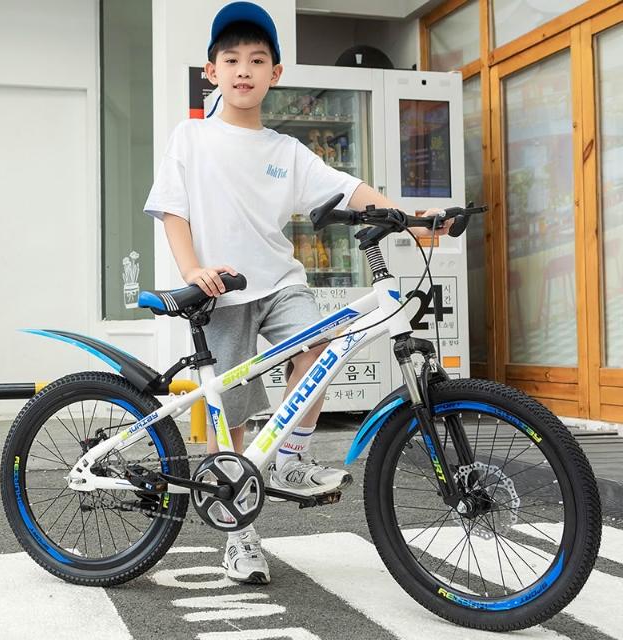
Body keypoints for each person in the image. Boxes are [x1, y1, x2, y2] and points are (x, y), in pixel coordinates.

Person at [143, 1, 451, 585]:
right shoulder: (192, 137)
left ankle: (290, 460)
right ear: (211, 71)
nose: (244, 69)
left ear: (275, 74)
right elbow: (172, 211)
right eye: (231, 59)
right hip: (220, 292)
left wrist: (413, 218)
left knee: (321, 346)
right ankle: (238, 536)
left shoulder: (285, 151)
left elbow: (349, 188)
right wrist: (193, 270)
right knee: (232, 421)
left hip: (280, 282)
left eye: (257, 60)